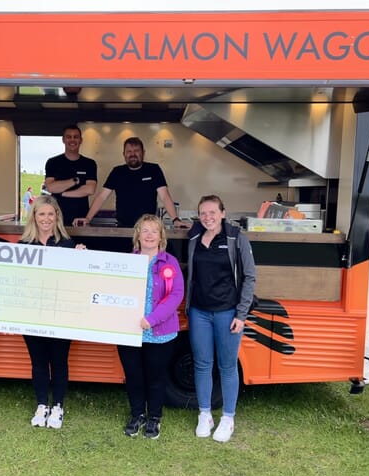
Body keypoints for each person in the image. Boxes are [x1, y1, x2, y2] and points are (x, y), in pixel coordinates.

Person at [185, 195, 256, 442]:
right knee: (202, 364)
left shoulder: (237, 238)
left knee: (227, 366)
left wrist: (241, 314)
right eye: (203, 213)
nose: (208, 217)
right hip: (199, 312)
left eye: (212, 212)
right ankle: (205, 414)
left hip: (227, 312)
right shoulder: (194, 237)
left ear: (223, 213)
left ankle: (228, 417)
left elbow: (249, 277)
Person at [19, 195, 87, 429]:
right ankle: (41, 404)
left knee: (59, 361)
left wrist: (82, 257)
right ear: (34, 217)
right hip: (32, 314)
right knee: (38, 361)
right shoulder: (24, 246)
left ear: (57, 216)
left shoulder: (68, 244)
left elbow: (80, 278)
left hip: (60, 313)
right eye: (41, 214)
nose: (46, 219)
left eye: (50, 214)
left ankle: (57, 405)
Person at [118, 214, 184, 439]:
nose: (148, 235)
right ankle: (137, 415)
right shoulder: (127, 262)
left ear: (160, 236)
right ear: (137, 235)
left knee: (156, 377)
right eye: (144, 230)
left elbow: (176, 294)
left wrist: (152, 319)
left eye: (153, 231)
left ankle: (154, 418)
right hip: (130, 331)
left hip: (160, 333)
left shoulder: (170, 263)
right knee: (133, 376)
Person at [73, 137, 189, 228]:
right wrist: (88, 219)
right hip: (123, 227)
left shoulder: (153, 169)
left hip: (147, 228)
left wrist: (175, 220)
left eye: (136, 151)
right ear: (124, 154)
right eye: (129, 151)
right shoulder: (117, 171)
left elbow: (165, 196)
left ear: (143, 152)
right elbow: (101, 197)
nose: (132, 154)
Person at [44, 124, 97, 225]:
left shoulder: (89, 163)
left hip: (80, 220)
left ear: (81, 140)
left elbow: (90, 189)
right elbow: (51, 187)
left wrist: (62, 193)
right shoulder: (53, 162)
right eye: (69, 137)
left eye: (75, 137)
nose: (72, 140)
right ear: (63, 140)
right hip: (56, 219)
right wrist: (76, 181)